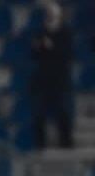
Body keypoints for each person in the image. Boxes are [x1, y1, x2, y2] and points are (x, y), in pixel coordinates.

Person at [30, 2, 74, 148]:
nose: (49, 17)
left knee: (62, 112)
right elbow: (35, 54)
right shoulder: (41, 32)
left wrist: (52, 46)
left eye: (52, 14)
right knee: (39, 113)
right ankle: (40, 143)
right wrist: (38, 47)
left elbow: (67, 54)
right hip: (43, 78)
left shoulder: (65, 33)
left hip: (60, 78)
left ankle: (66, 142)